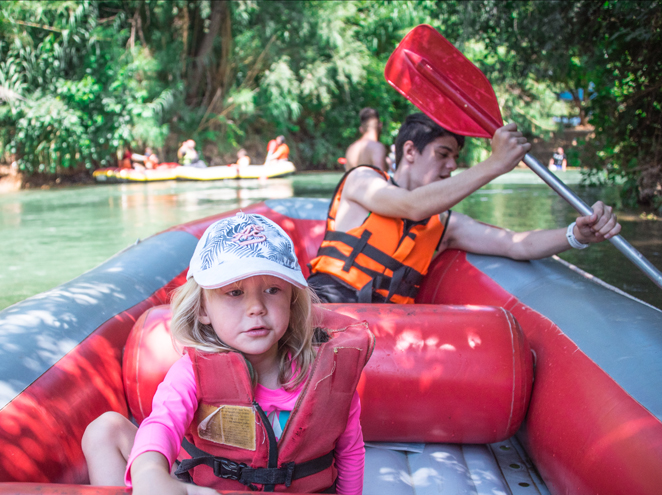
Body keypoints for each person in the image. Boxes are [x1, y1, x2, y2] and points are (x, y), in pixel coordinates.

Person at [82, 213, 369, 494]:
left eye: (272, 289)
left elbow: (350, 451)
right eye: (235, 292)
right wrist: (150, 472)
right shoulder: (191, 373)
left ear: (292, 300)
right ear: (203, 309)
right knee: (104, 430)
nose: (256, 306)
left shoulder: (328, 373)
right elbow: (162, 424)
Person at [308, 113, 621, 304]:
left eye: (455, 157)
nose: (452, 165)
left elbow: (515, 244)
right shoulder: (362, 180)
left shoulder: (445, 225)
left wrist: (576, 234)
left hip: (384, 327)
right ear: (410, 150)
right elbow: (411, 206)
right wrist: (495, 164)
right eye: (443, 154)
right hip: (328, 303)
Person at [344, 108, 388, 173]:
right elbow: (381, 178)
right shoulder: (377, 147)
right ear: (380, 125)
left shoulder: (350, 149)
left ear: (361, 129)